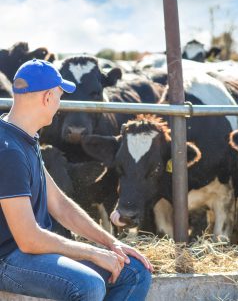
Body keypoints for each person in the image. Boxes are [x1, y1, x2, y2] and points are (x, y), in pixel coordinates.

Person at [0, 59, 153, 300]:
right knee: (88, 285)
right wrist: (93, 253)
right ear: (48, 97)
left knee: (134, 271)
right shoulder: (8, 150)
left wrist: (112, 244)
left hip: (29, 253)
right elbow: (28, 239)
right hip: (8, 259)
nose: (60, 105)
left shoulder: (25, 137)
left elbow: (60, 205)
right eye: (60, 96)